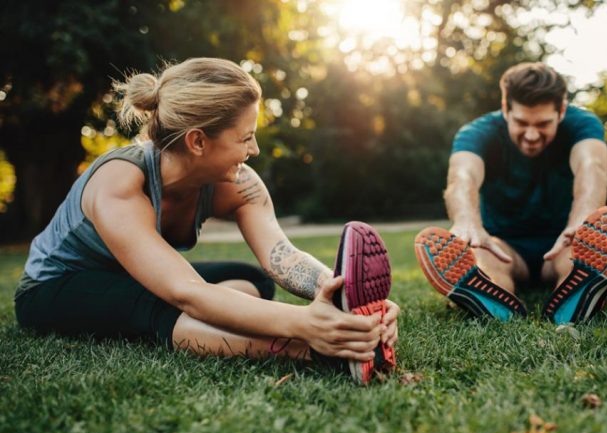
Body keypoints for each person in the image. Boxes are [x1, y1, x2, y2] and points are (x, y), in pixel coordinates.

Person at [14, 57, 399, 384]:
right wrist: (307, 326)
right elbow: (186, 292)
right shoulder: (120, 183)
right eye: (245, 138)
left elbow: (281, 255)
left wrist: (345, 299)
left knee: (255, 281)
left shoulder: (237, 182)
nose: (255, 149)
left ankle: (209, 324)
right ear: (198, 141)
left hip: (134, 277)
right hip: (56, 287)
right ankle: (315, 353)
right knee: (162, 304)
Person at [415, 62, 607, 324]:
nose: (531, 135)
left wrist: (582, 222)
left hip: (562, 242)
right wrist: (467, 223)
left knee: (576, 258)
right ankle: (492, 297)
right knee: (484, 259)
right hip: (504, 247)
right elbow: (463, 177)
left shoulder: (582, 124)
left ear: (561, 111)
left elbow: (591, 166)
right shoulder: (477, 133)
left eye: (542, 124)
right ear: (506, 109)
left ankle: (578, 293)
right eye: (521, 122)